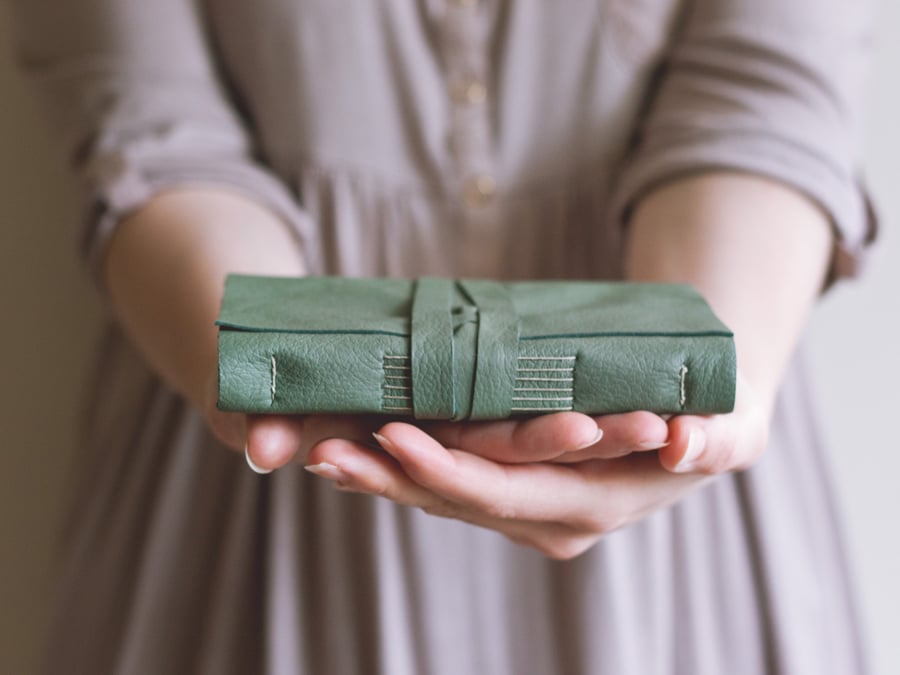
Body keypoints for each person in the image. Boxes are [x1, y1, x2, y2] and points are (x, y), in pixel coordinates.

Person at [12, 1, 876, 673]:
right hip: (250, 507)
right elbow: (146, 122)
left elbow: (772, 91)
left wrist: (718, 372)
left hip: (677, 519)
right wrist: (258, 356)